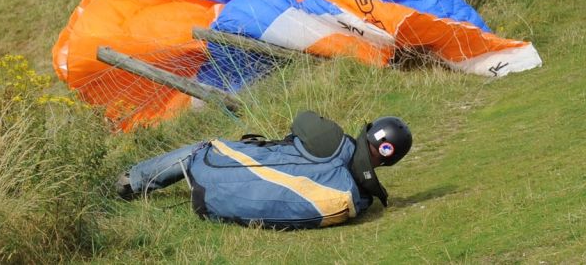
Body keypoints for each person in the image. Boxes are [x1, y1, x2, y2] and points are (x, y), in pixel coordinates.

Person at [116, 111, 413, 229]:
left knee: (201, 149)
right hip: (216, 210)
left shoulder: (334, 140)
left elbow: (303, 119)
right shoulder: (359, 202)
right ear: (390, 160)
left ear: (369, 133)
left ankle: (132, 181)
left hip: (210, 170)